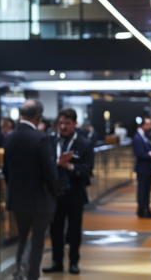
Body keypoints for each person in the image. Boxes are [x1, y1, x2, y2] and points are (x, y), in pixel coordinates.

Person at [3, 99, 60, 280]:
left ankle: (18, 273)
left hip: (17, 200)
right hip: (39, 200)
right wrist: (55, 192)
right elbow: (50, 172)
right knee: (37, 241)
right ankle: (31, 276)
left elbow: (6, 170)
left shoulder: (9, 137)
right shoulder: (40, 138)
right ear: (38, 117)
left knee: (23, 237)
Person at [43, 109, 94, 275]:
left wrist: (70, 167)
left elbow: (88, 170)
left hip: (75, 194)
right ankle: (57, 261)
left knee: (74, 230)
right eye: (61, 123)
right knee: (55, 230)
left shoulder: (84, 144)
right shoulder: (49, 142)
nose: (63, 127)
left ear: (74, 124)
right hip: (55, 194)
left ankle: (73, 262)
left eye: (67, 123)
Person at [133, 117, 151, 218]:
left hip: (146, 168)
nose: (149, 126)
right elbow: (139, 154)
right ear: (142, 125)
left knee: (146, 190)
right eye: (147, 124)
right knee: (143, 190)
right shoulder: (138, 137)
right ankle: (142, 209)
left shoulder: (144, 136)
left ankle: (144, 208)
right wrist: (150, 154)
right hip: (142, 168)